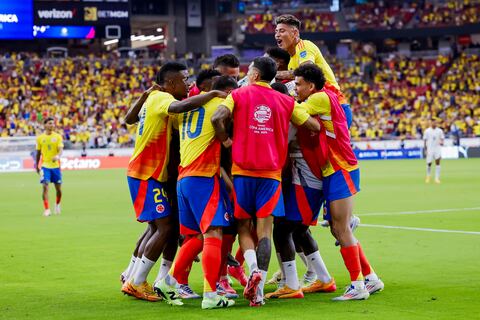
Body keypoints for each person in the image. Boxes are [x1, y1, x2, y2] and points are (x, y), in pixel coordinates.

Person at [211, 56, 320, 307]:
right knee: (265, 232)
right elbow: (313, 125)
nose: (247, 74)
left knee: (243, 228)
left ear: (255, 75)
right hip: (271, 174)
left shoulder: (238, 95)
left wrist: (227, 141)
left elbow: (217, 118)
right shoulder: (286, 101)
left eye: (249, 70)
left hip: (242, 171)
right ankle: (258, 289)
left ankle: (253, 272)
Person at [120, 62, 227, 304]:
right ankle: (136, 282)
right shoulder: (161, 98)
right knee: (165, 228)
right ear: (170, 84)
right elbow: (180, 106)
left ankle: (133, 276)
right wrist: (209, 94)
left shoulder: (153, 98)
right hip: (146, 173)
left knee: (157, 228)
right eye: (184, 79)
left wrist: (144, 95)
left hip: (150, 174)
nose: (188, 84)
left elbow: (129, 118)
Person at [292, 64, 384, 301]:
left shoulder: (319, 97)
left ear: (310, 86)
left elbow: (293, 111)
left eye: (298, 83)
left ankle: (357, 286)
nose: (295, 88)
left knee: (341, 228)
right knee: (338, 227)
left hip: (340, 168)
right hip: (336, 169)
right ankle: (369, 278)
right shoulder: (326, 96)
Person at [165, 75, 239, 309]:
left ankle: (167, 283)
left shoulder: (187, 110)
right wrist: (227, 141)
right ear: (222, 91)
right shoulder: (219, 105)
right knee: (214, 233)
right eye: (231, 91)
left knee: (197, 237)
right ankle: (210, 295)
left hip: (184, 178)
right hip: (203, 177)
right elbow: (219, 120)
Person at [274, 14, 352, 127]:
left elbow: (306, 70)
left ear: (295, 33)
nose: (277, 35)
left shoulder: (304, 45)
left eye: (281, 31)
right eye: (276, 31)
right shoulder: (291, 61)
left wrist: (273, 74)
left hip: (335, 105)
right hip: (317, 107)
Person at [36, 117, 63, 217]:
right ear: (45, 125)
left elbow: (60, 149)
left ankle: (57, 204)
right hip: (45, 166)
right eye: (50, 123)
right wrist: (36, 166)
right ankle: (47, 209)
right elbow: (38, 153)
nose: (52, 125)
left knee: (58, 190)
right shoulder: (40, 138)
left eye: (53, 123)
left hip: (56, 167)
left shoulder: (58, 137)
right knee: (45, 186)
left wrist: (58, 156)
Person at [424, 119, 444, 184]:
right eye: (432, 122)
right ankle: (428, 176)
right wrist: (425, 149)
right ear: (430, 123)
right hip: (430, 149)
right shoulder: (427, 131)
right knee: (429, 163)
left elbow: (442, 139)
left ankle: (437, 178)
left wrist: (442, 142)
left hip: (437, 148)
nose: (434, 124)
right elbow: (425, 140)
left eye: (435, 122)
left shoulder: (440, 131)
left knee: (438, 162)